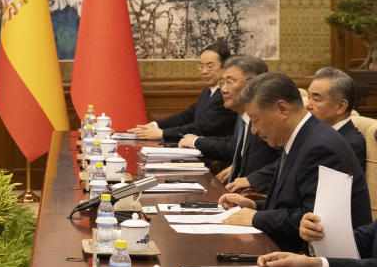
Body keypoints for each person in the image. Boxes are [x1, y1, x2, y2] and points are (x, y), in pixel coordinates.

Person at [218, 73, 371, 252]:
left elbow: (313, 220)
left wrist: (256, 218)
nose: (254, 130)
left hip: (321, 260)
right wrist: (253, 205)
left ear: (282, 109)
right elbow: (291, 204)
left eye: (256, 120)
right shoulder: (302, 136)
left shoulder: (320, 147)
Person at [228, 66, 368, 193]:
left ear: (341, 106)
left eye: (316, 99)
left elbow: (314, 211)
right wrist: (254, 206)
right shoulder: (308, 134)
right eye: (309, 96)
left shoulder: (338, 143)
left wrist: (256, 214)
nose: (308, 105)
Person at [177, 55, 279, 187]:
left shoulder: (270, 119)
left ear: (255, 83)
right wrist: (237, 166)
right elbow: (236, 145)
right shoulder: (242, 116)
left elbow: (288, 160)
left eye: (230, 82)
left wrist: (252, 179)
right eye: (222, 83)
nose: (223, 90)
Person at [128, 41, 236, 141]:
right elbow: (186, 116)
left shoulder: (227, 96)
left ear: (225, 67)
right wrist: (155, 125)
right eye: (200, 66)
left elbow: (203, 128)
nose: (204, 71)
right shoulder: (208, 92)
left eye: (210, 66)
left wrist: (162, 133)